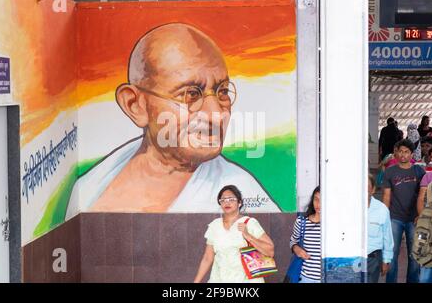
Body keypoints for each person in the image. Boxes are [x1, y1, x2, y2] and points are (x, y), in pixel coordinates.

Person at [65, 23, 280, 219]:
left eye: (222, 91)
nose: (216, 113)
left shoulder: (244, 193)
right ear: (135, 105)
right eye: (191, 94)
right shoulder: (89, 189)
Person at [193, 185, 275, 283]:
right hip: (219, 279)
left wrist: (248, 236)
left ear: (239, 203)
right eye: (223, 200)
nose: (226, 202)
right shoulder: (215, 225)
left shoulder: (249, 223)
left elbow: (270, 251)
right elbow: (207, 257)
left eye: (231, 199)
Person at [382, 139, 426, 283]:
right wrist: (384, 217)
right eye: (401, 151)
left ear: (412, 154)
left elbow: (423, 196)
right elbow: (387, 196)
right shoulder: (390, 171)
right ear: (396, 152)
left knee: (414, 255)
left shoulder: (419, 171)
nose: (403, 155)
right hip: (395, 217)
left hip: (414, 218)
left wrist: (421, 215)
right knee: (391, 254)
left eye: (406, 152)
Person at [289, 186, 321, 283]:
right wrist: (296, 248)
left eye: (323, 200)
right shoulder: (302, 222)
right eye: (316, 199)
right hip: (306, 278)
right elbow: (293, 241)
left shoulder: (335, 225)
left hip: (329, 278)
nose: (318, 204)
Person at [367, 173, 394, 283]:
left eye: (366, 187)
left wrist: (386, 260)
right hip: (352, 259)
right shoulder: (349, 209)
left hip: (373, 259)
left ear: (373, 190)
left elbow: (387, 237)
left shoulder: (382, 210)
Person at [416, 145, 432, 283]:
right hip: (429, 229)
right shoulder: (428, 177)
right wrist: (423, 219)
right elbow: (420, 199)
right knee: (425, 276)